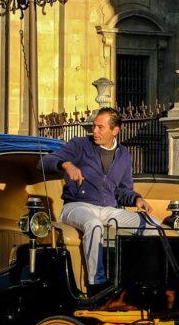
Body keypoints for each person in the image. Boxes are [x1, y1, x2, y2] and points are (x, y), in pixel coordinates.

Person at [42, 108, 156, 288]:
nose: (94, 131)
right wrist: (66, 164)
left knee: (151, 225)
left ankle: (144, 280)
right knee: (93, 224)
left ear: (115, 131)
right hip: (76, 207)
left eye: (100, 127)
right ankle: (97, 283)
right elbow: (45, 162)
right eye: (94, 126)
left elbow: (122, 191)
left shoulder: (124, 154)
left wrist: (136, 199)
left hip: (108, 210)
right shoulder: (79, 145)